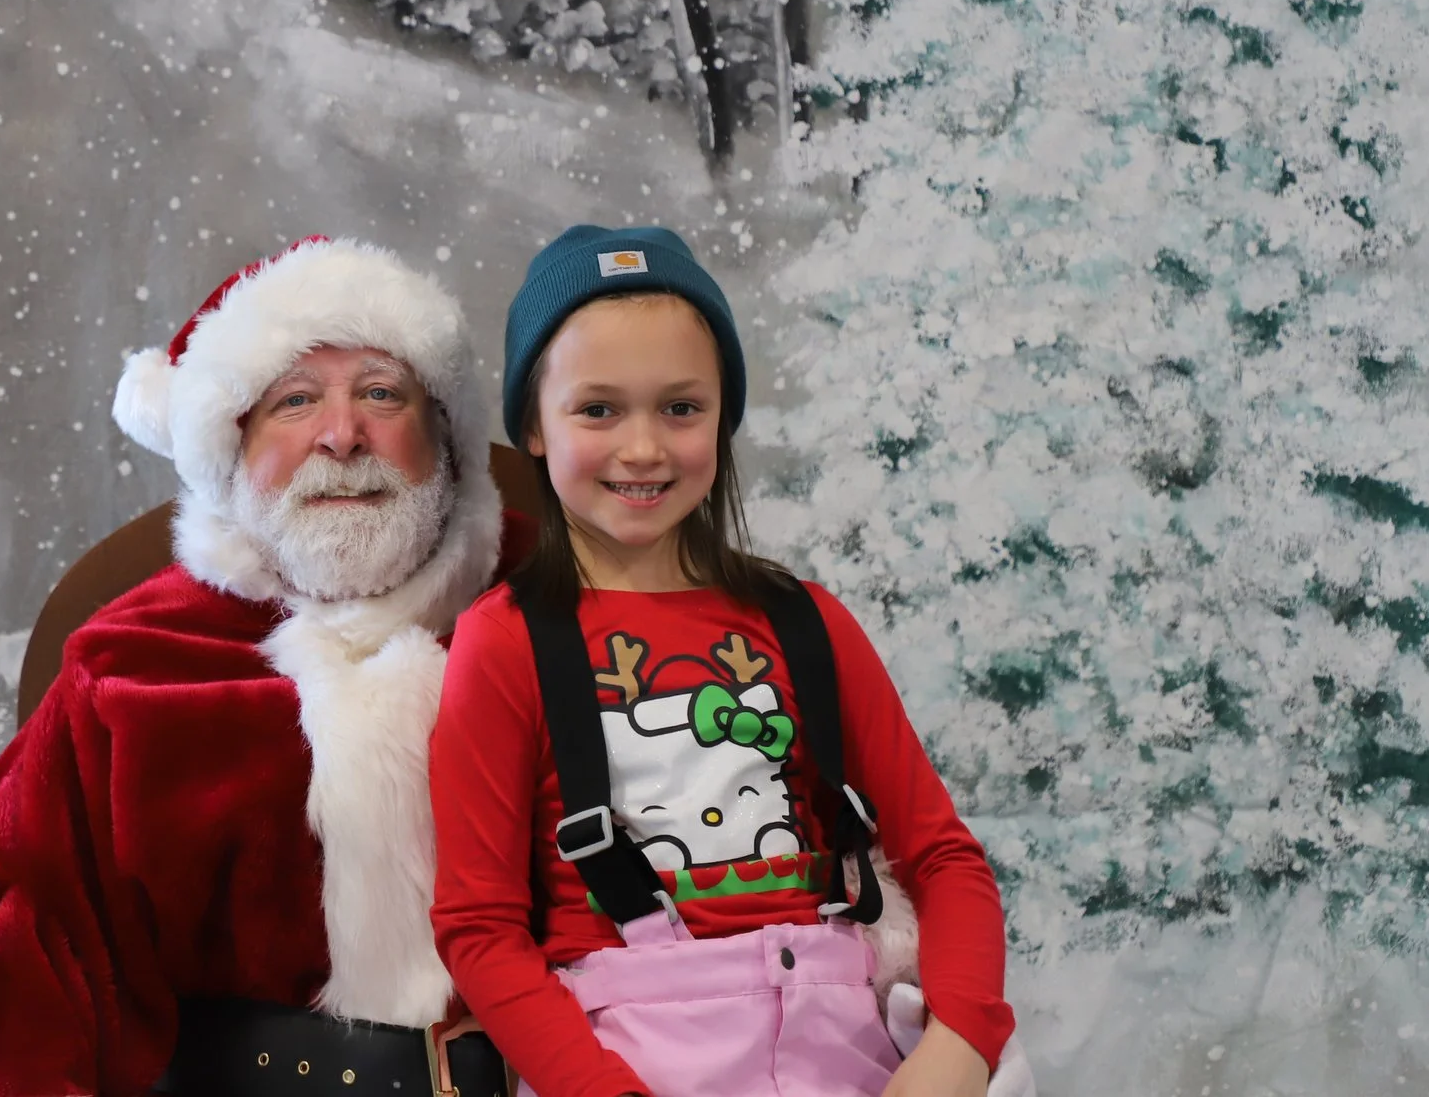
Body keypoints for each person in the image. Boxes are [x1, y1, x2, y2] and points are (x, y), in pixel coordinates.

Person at [0, 236, 528, 1095]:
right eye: (295, 400)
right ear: (232, 448)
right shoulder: (136, 669)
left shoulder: (554, 619)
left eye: (380, 392)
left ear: (442, 439)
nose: (341, 435)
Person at [430, 225, 1016, 1097]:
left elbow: (943, 857)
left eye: (680, 408)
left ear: (722, 414)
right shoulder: (507, 640)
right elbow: (480, 926)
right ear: (534, 427)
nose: (643, 447)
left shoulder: (807, 621)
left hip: (845, 1046)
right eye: (598, 409)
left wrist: (958, 1044)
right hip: (629, 1056)